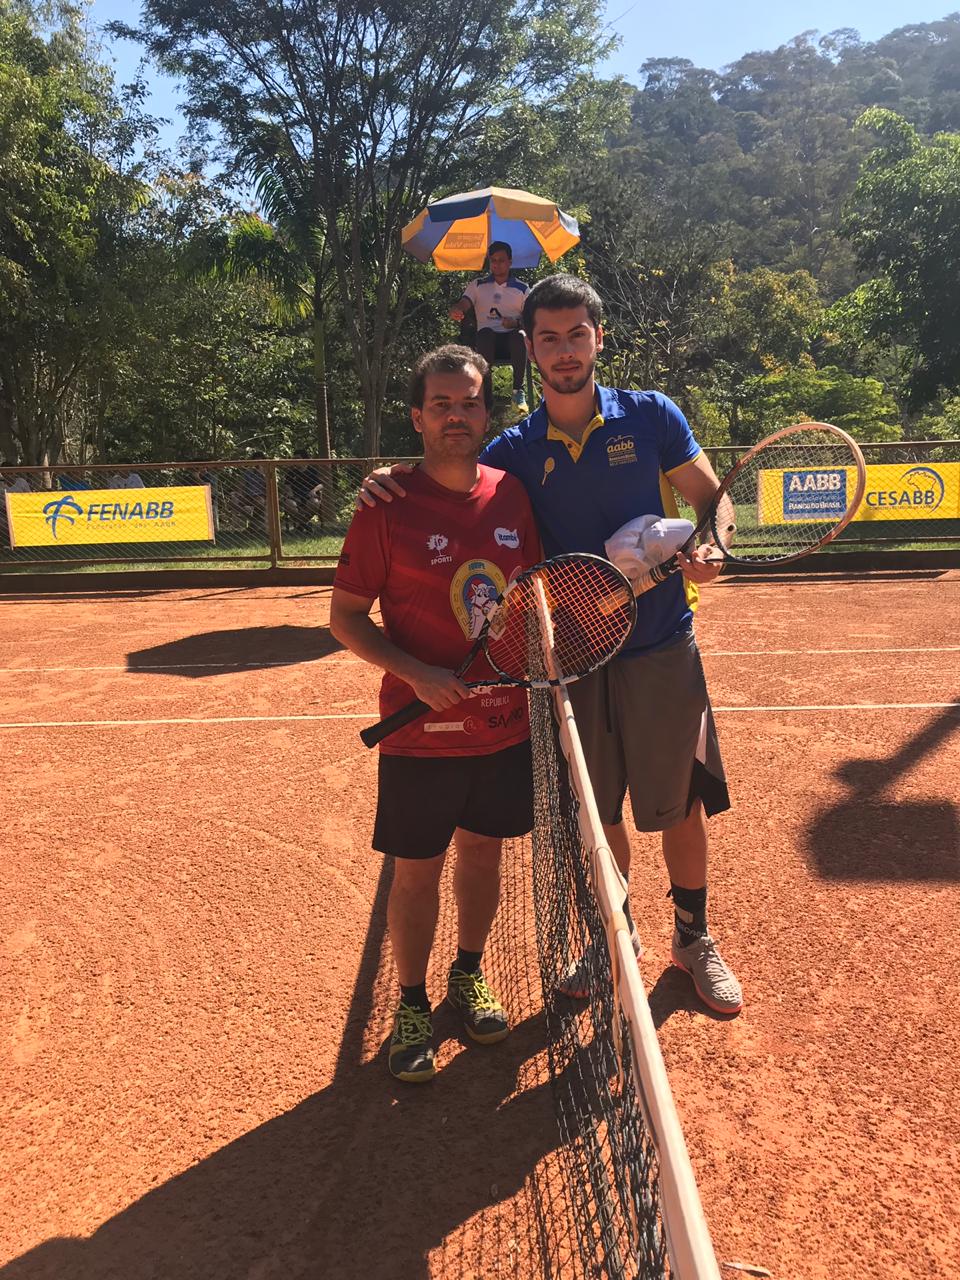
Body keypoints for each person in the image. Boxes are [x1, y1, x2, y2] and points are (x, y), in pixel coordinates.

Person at [360, 276, 743, 1016]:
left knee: (680, 804)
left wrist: (714, 545)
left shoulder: (652, 416)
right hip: (574, 660)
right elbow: (450, 476)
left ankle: (692, 937)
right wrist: (387, 480)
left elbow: (711, 500)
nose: (565, 351)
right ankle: (614, 938)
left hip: (662, 646)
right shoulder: (512, 450)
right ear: (529, 349)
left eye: (576, 335)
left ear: (598, 338)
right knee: (597, 814)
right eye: (548, 338)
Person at [330, 344, 541, 1082]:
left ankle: (469, 972)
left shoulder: (514, 496)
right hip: (418, 736)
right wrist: (417, 675)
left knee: (483, 855)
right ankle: (413, 1002)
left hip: (502, 727)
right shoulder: (385, 507)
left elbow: (535, 600)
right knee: (416, 873)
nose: (457, 416)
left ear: (486, 414)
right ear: (417, 417)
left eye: (469, 403)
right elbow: (346, 619)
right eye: (442, 404)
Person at [449, 241, 530, 415]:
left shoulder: (522, 289)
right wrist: (458, 309)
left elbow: (531, 319)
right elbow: (465, 302)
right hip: (486, 344)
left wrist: (515, 323)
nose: (497, 264)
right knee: (485, 334)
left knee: (519, 335)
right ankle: (485, 391)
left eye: (501, 260)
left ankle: (518, 391)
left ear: (510, 262)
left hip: (513, 345)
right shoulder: (478, 285)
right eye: (493, 260)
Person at [282, 452, 323, 531]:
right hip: (295, 497)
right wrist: (289, 492)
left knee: (315, 503)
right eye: (294, 459)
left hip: (309, 496)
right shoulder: (291, 473)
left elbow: (321, 484)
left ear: (304, 459)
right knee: (289, 504)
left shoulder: (312, 471)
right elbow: (287, 485)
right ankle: (304, 524)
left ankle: (301, 524)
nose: (295, 460)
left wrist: (314, 491)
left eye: (297, 458)